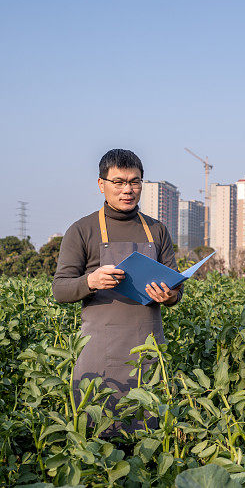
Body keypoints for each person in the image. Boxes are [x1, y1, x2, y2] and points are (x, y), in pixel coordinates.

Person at [52, 148, 181, 432]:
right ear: (101, 185)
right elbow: (60, 289)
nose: (128, 190)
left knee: (149, 435)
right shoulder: (82, 230)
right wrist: (90, 281)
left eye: (135, 182)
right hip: (99, 350)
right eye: (118, 182)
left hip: (148, 350)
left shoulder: (157, 230)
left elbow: (176, 290)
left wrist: (169, 295)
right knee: (97, 433)